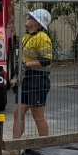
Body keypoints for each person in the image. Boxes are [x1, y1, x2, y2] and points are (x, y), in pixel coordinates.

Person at [13, 8, 53, 139]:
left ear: (37, 23)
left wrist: (26, 65)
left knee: (37, 115)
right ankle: (15, 146)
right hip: (26, 79)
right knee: (18, 112)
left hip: (37, 80)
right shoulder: (27, 36)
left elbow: (46, 60)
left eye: (31, 17)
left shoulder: (42, 38)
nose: (28, 18)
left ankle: (43, 146)